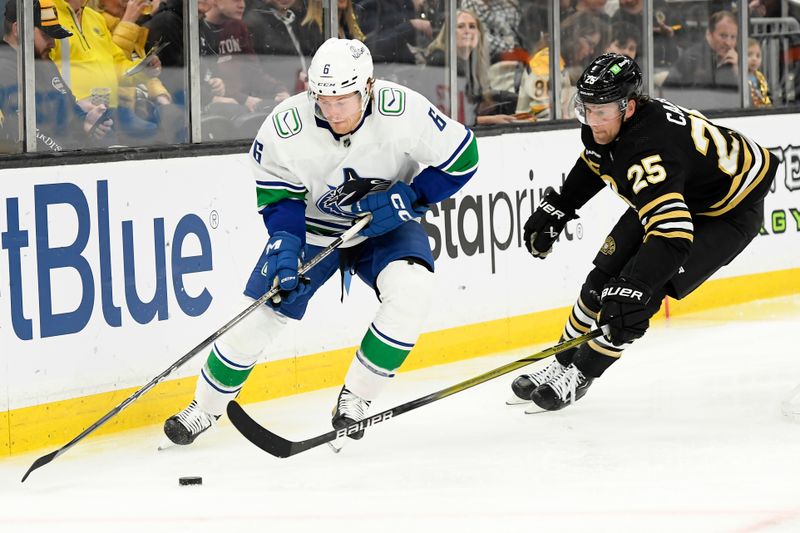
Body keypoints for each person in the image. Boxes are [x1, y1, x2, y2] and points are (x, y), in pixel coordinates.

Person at [162, 37, 479, 447]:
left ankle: (357, 399)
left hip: (384, 224)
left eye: (342, 101)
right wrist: (286, 242)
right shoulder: (285, 126)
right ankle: (203, 408)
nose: (331, 112)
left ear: (367, 87)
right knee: (260, 315)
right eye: (322, 100)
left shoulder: (404, 110)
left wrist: (415, 196)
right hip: (312, 229)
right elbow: (279, 196)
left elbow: (463, 156)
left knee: (413, 292)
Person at [509, 53, 777, 411]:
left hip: (728, 212)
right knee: (602, 275)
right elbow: (597, 160)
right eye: (586, 108)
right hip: (682, 190)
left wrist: (637, 285)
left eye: (602, 112)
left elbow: (673, 234)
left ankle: (583, 372)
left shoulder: (651, 153)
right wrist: (561, 205)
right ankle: (562, 360)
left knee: (637, 298)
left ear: (629, 108)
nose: (593, 121)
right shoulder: (609, 125)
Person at [0, 0, 114, 151]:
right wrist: (65, 152)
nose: (53, 44)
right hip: (38, 168)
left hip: (67, 161)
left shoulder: (44, 63)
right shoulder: (3, 70)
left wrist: (85, 122)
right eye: (46, 35)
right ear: (19, 29)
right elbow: (23, 133)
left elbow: (69, 108)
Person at [422, 8, 516, 125]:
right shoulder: (441, 61)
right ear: (449, 33)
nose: (467, 31)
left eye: (472, 26)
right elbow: (445, 116)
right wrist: (489, 120)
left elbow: (480, 98)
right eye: (461, 26)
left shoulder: (473, 63)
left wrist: (514, 99)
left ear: (479, 33)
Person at [663, 10, 738, 92]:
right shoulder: (692, 58)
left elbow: (749, 99)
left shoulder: (736, 60)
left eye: (733, 37)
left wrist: (737, 73)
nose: (728, 43)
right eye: (723, 36)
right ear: (709, 34)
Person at [747, 38, 771, 107]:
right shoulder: (739, 77)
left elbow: (766, 95)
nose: (754, 59)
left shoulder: (759, 76)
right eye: (749, 55)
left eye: (758, 56)